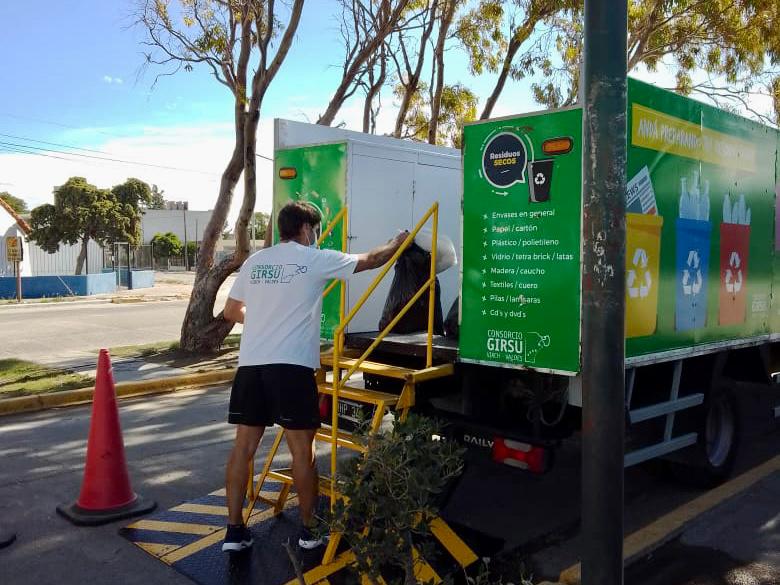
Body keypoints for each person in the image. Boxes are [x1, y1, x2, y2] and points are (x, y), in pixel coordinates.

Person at [221, 201, 408, 552]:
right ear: (307, 230)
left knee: (242, 449)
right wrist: (397, 241)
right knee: (302, 454)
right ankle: (308, 533)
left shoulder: (255, 262)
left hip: (251, 367)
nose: (317, 237)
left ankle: (233, 532)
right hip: (291, 368)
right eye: (317, 231)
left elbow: (232, 311)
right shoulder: (312, 258)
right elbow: (371, 259)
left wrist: (264, 319)